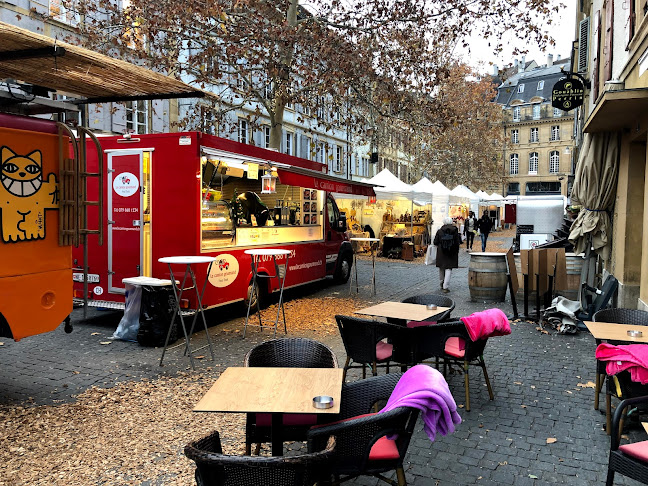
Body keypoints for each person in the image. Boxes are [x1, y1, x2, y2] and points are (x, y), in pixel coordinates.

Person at [433, 217, 461, 293]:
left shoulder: (440, 231)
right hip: (451, 252)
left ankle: (442, 282)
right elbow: (457, 242)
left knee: (441, 267)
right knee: (449, 268)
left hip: (441, 252)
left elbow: (435, 242)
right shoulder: (455, 230)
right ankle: (446, 286)